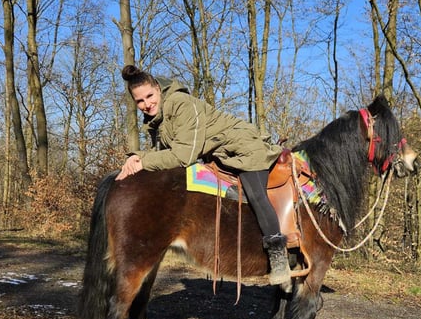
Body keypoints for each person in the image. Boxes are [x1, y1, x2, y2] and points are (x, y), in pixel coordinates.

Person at [115, 65, 291, 290]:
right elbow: (160, 156)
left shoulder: (181, 104)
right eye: (139, 101)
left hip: (244, 148)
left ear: (158, 89)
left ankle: (279, 258)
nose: (147, 104)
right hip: (219, 155)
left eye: (149, 96)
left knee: (256, 195)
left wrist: (142, 161)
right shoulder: (154, 121)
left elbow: (183, 156)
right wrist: (136, 157)